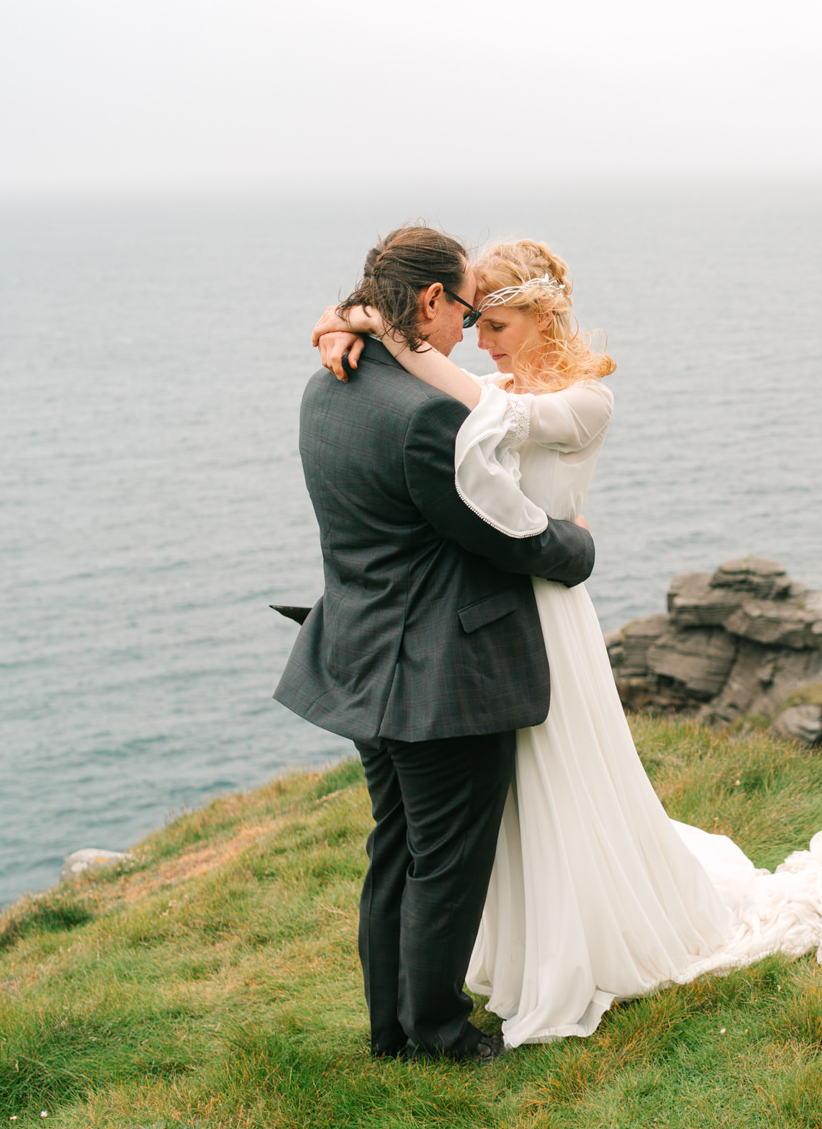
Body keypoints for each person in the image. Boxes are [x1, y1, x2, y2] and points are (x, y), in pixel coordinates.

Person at [312, 237, 822, 1050]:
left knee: (560, 779)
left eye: (495, 323)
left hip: (543, 610)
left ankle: (574, 944)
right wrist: (343, 325)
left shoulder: (582, 402)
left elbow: (483, 410)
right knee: (499, 809)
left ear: (540, 317)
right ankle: (520, 952)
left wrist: (376, 331)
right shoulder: (485, 381)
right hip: (493, 610)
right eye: (473, 319)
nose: (480, 337)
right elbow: (470, 406)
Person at [276, 226, 596, 1063]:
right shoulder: (424, 420)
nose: (466, 329)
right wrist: (579, 548)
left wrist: (342, 318)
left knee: (396, 849)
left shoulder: (328, 385)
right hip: (432, 679)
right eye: (461, 309)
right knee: (446, 865)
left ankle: (391, 1032)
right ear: (426, 302)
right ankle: (441, 1035)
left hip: (354, 656)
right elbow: (508, 536)